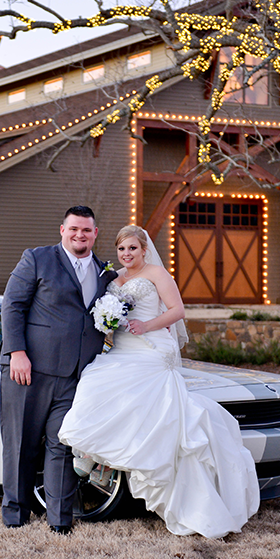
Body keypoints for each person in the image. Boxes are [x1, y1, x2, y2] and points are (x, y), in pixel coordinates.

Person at [58, 225, 260, 537]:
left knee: (140, 399)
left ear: (144, 250)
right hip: (123, 347)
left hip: (151, 346)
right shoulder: (112, 278)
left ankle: (132, 465)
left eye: (132, 249)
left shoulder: (156, 274)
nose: (127, 254)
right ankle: (95, 459)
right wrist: (106, 322)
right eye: (122, 249)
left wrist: (148, 324)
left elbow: (178, 310)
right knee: (94, 381)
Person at [0, 206, 117, 533]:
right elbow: (12, 305)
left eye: (87, 230)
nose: (80, 235)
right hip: (29, 371)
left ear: (95, 233)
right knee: (20, 445)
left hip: (76, 374)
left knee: (62, 446)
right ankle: (15, 517)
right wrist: (17, 352)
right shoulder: (37, 258)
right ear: (62, 230)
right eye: (74, 229)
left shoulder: (105, 271)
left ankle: (60, 522)